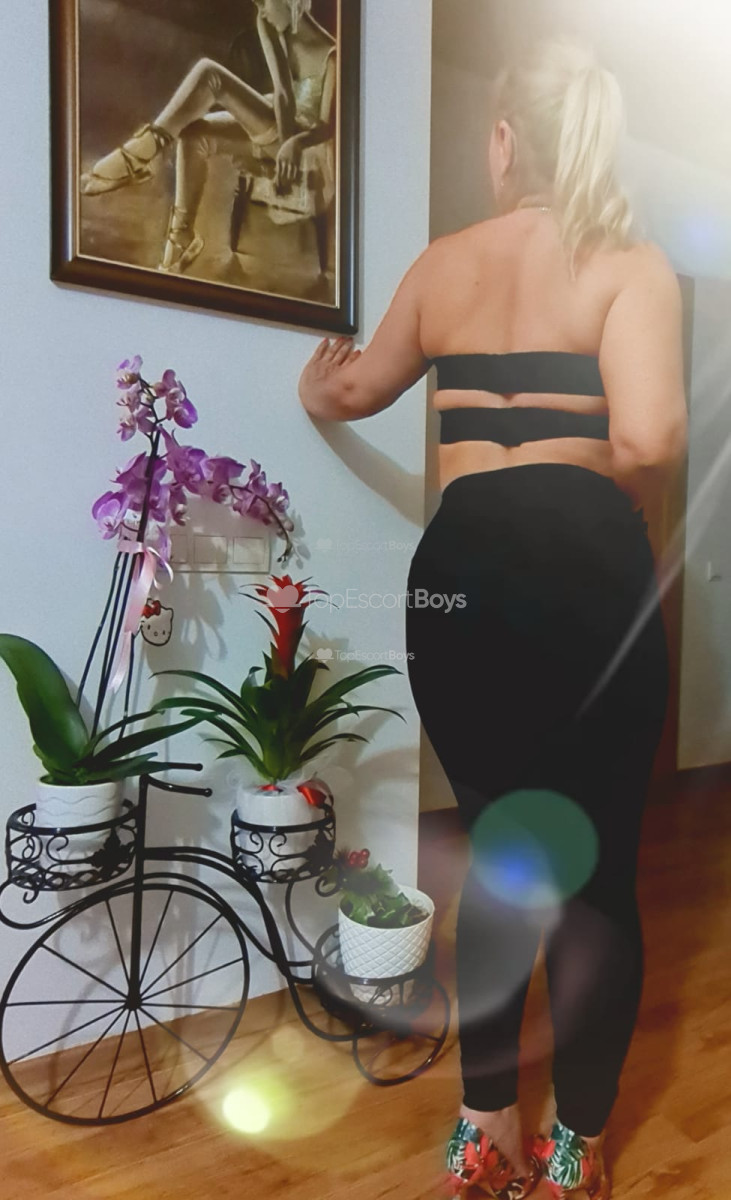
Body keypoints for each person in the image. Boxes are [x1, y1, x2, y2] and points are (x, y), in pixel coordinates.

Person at [298, 32, 687, 1200]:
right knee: (595, 878)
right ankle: (572, 1154)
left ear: (505, 138)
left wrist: (317, 388)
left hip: (459, 576)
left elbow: (353, 387)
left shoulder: (442, 264)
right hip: (584, 568)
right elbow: (648, 437)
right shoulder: (628, 265)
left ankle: (479, 1134)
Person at [81, 0, 336, 273]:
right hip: (275, 123)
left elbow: (328, 126)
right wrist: (277, 139)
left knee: (209, 73)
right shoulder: (270, 22)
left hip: (305, 144)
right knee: (194, 133)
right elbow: (283, 93)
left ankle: (140, 153)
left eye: (265, 3)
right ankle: (182, 236)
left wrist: (291, 145)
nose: (261, 10)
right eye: (257, 3)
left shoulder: (333, 54)